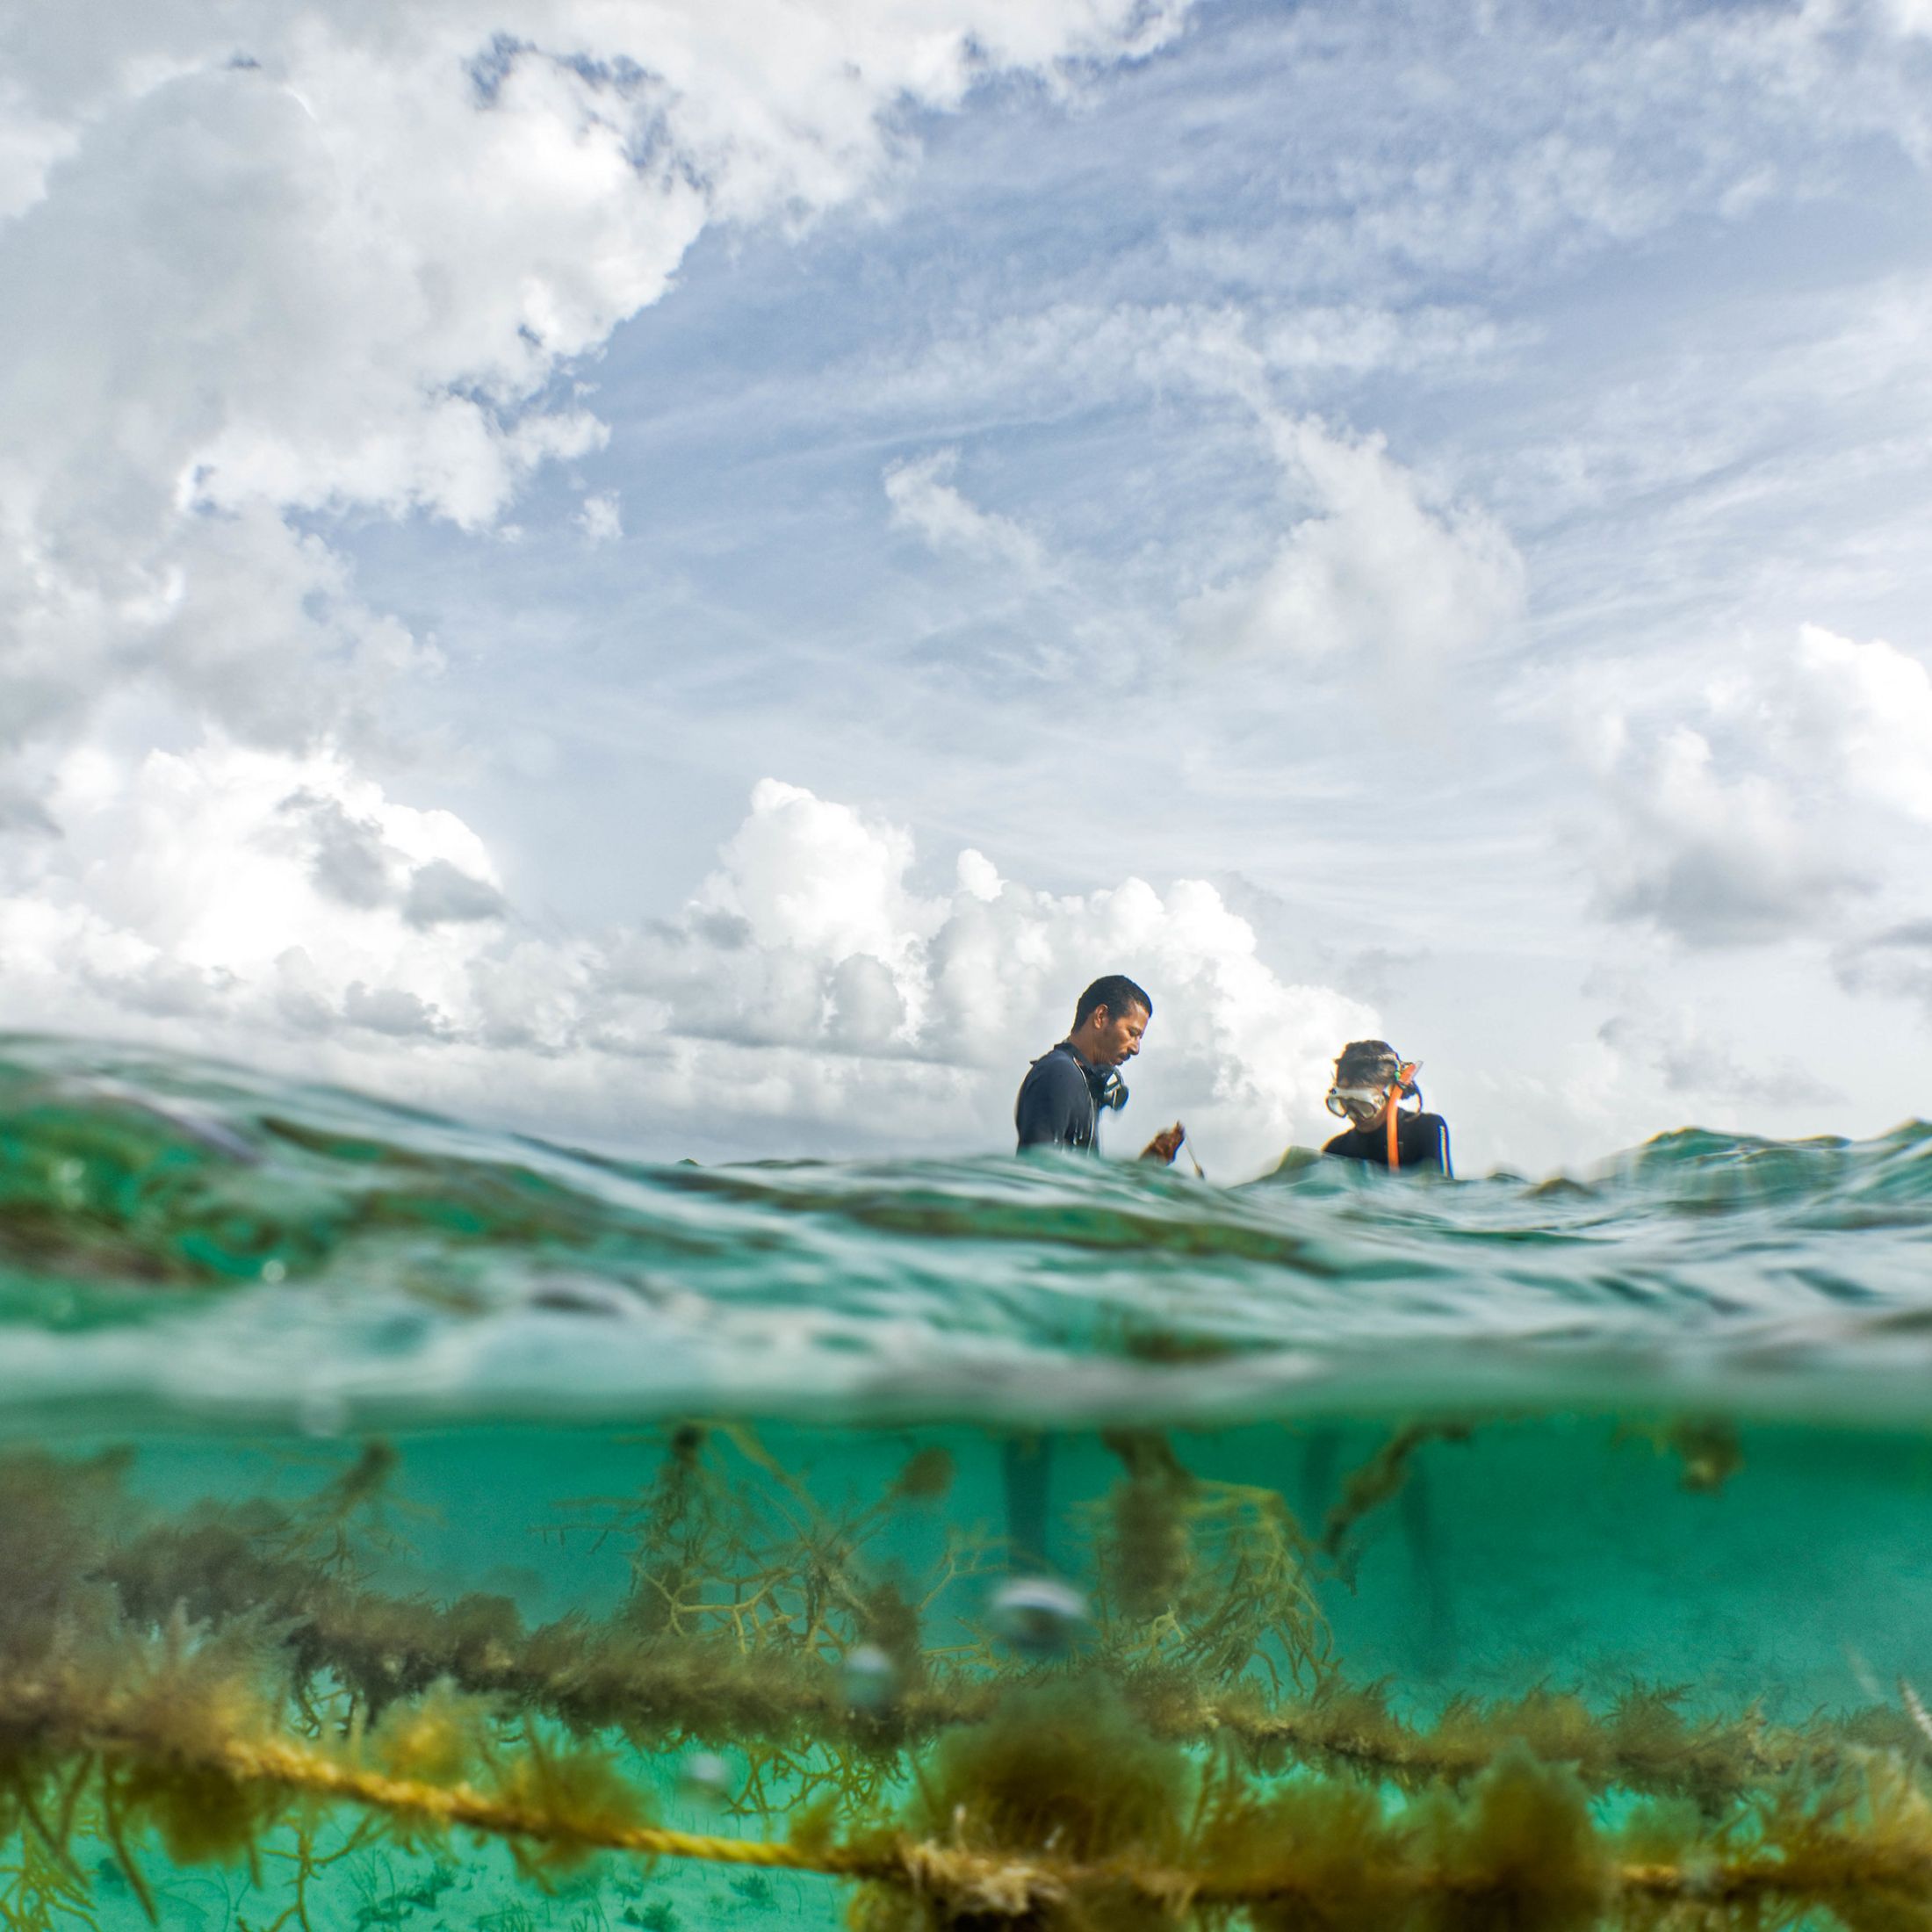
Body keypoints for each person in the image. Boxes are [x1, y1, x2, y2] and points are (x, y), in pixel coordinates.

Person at [1014, 974, 1184, 1164]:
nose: (1136, 1049)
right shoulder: (1059, 1075)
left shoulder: (1083, 1080)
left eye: (1139, 1038)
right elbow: (1036, 1174)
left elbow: (1075, 1182)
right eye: (1132, 1033)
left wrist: (1148, 1166)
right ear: (1101, 1017)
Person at [1321, 1039, 1453, 1175]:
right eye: (1343, 1102)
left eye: (1362, 1105)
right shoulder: (1336, 1150)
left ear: (1391, 1092)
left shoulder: (1425, 1128)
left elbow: (1443, 1190)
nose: (1352, 1114)